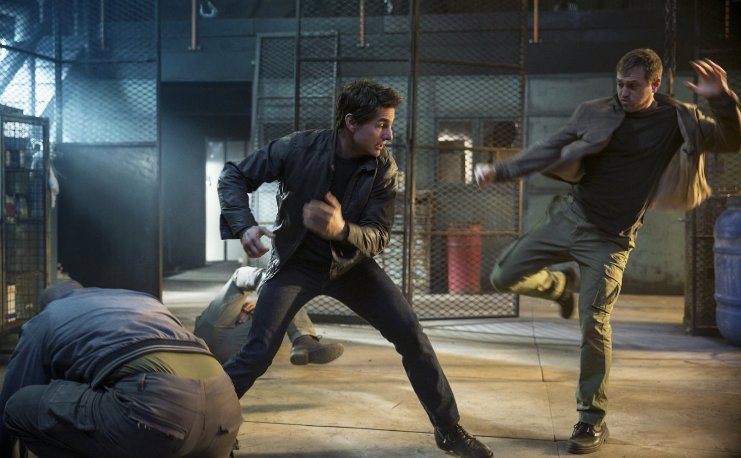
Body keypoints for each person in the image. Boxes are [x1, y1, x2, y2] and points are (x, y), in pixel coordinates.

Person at [474, 49, 740, 454]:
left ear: (655, 85)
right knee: (502, 276)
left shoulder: (679, 118)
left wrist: (721, 98)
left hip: (611, 239)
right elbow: (552, 146)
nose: (624, 93)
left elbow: (732, 140)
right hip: (570, 215)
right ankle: (559, 286)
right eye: (619, 85)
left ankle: (591, 419)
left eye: (633, 86)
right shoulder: (594, 111)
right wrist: (502, 171)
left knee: (595, 325)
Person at [218, 79, 492, 458]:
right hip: (296, 263)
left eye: (390, 124)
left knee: (412, 337)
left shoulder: (383, 168)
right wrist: (244, 225)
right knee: (258, 351)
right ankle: (213, 425)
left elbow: (378, 236)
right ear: (351, 122)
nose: (389, 134)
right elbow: (233, 174)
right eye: (381, 124)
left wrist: (342, 230)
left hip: (351, 266)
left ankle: (448, 430)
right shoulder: (298, 147)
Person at [0, 280, 243, 458]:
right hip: (224, 413)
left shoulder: (48, 317)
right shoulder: (142, 299)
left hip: (158, 412)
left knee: (19, 406)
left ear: (46, 306)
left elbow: (13, 394)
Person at [194, 265, 345, 365]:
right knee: (273, 289)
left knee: (278, 298)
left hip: (214, 349)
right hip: (211, 345)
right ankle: (303, 340)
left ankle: (303, 339)